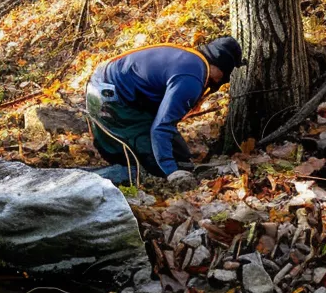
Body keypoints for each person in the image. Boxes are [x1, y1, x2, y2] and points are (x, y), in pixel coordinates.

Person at [85, 36, 245, 189]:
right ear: (218, 65)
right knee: (146, 166)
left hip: (119, 91)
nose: (224, 80)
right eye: (226, 73)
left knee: (180, 157)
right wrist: (171, 171)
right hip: (110, 97)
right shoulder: (190, 80)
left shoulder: (191, 60)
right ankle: (88, 180)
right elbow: (161, 127)